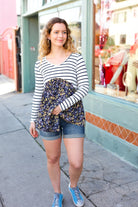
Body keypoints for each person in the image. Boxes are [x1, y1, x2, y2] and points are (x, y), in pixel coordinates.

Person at [29, 17, 89, 207]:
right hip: (47, 117)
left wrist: (62, 106)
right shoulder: (40, 64)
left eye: (64, 32)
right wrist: (32, 119)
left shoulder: (76, 57)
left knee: (76, 162)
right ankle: (57, 193)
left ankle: (73, 186)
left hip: (73, 116)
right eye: (56, 32)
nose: (60, 35)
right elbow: (38, 92)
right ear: (48, 35)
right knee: (53, 158)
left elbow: (84, 88)